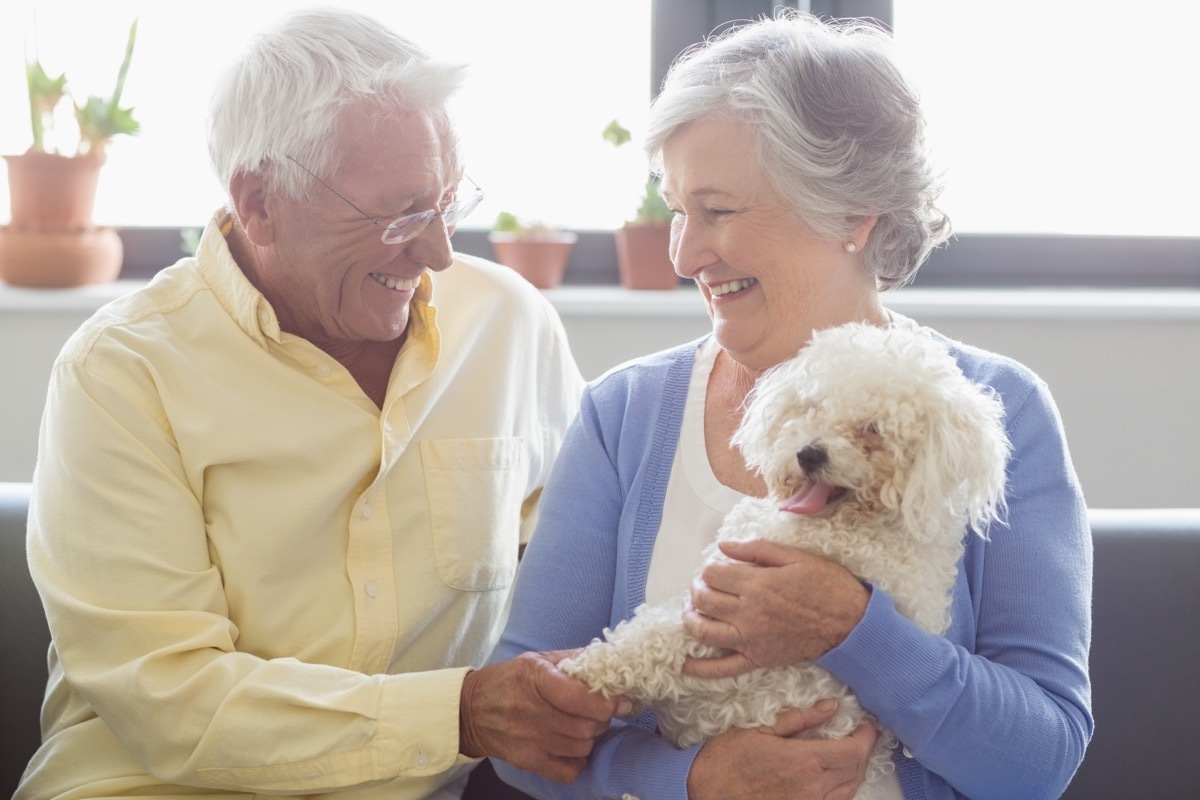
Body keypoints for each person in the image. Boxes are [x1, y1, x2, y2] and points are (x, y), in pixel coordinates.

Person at [16, 8, 624, 800]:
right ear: (261, 201)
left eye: (450, 204)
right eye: (403, 214)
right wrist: (460, 716)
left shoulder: (508, 325)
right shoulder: (121, 374)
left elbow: (589, 584)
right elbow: (171, 701)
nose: (439, 251)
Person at [489, 10, 1093, 800]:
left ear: (850, 216)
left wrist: (854, 632)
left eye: (719, 210)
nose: (682, 253)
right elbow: (518, 733)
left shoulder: (997, 413)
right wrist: (691, 779)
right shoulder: (625, 414)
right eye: (676, 209)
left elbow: (1039, 762)